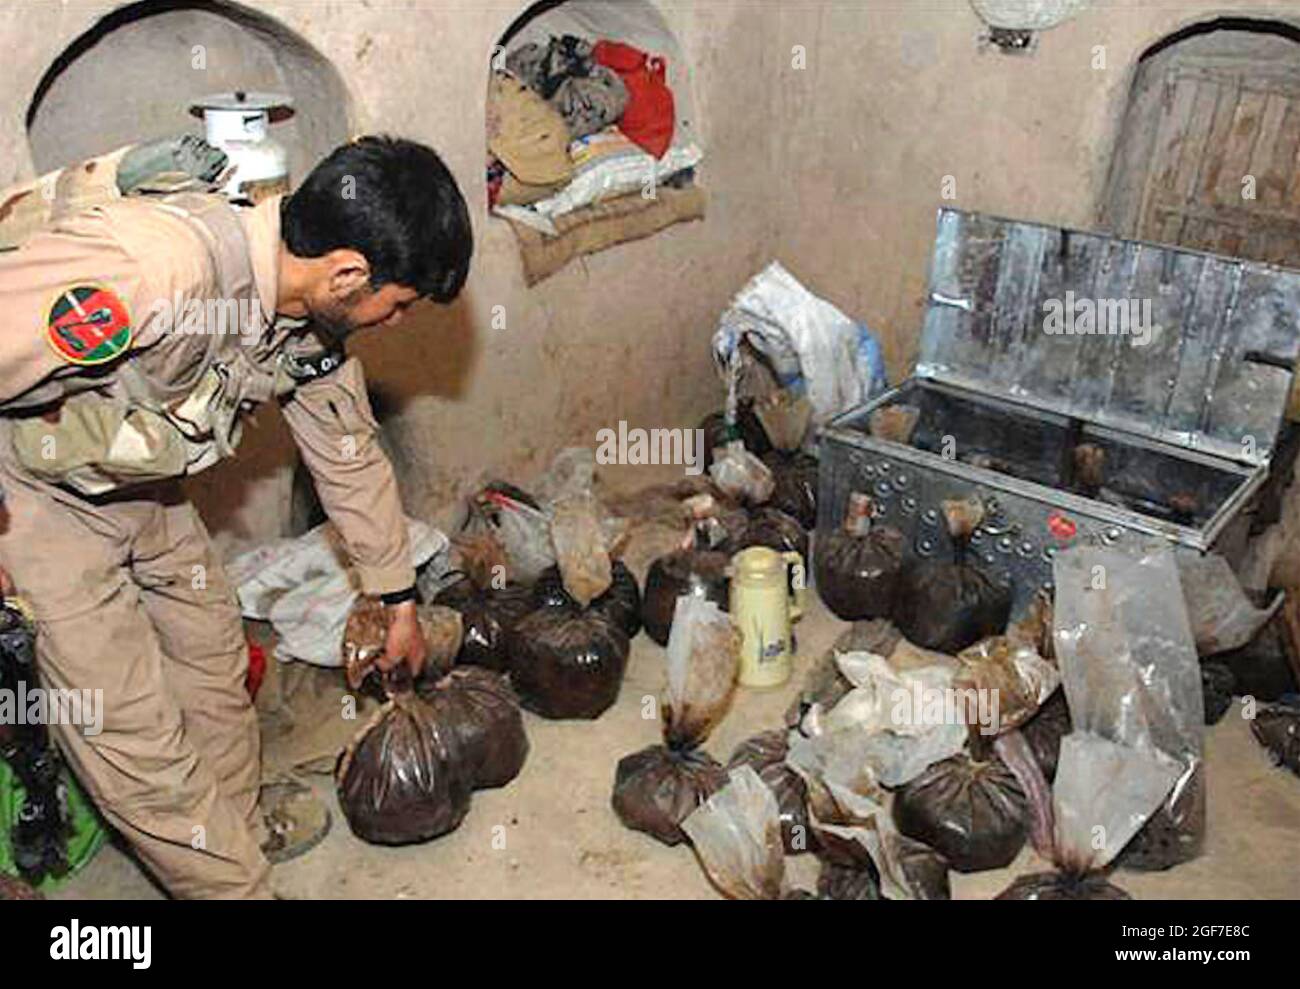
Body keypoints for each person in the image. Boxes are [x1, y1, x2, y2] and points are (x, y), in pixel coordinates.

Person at [0, 135, 473, 898]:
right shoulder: (154, 270)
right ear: (350, 271)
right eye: (401, 303)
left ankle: (236, 837)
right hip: (36, 503)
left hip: (139, 492)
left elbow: (347, 450)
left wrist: (397, 599)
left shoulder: (308, 315)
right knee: (135, 744)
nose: (394, 323)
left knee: (215, 663)